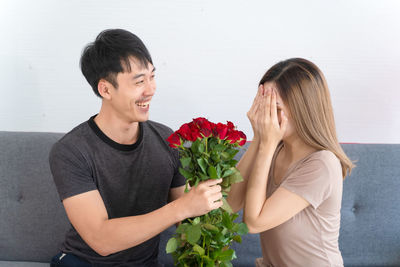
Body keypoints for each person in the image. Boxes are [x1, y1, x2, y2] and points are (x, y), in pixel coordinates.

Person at [49, 29, 223, 267]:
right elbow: (100, 239)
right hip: (83, 262)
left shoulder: (167, 139)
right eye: (139, 81)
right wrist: (180, 208)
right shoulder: (71, 152)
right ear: (106, 89)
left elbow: (189, 219)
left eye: (152, 77)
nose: (150, 89)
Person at [227, 58, 354, 266]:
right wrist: (259, 139)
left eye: (273, 108)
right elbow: (230, 204)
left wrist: (266, 146)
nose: (265, 117)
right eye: (262, 105)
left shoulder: (322, 164)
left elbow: (253, 222)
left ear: (303, 110)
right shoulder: (274, 148)